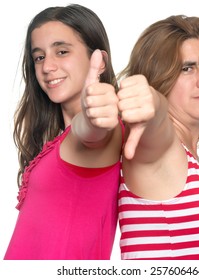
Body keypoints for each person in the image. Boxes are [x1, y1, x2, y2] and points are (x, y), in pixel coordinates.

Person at [117, 15, 199, 260]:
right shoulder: (159, 149)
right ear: (158, 78)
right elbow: (157, 125)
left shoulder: (193, 162)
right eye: (186, 68)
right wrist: (152, 103)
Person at [4, 4, 123, 260]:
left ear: (99, 61)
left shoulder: (99, 132)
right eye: (39, 57)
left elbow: (91, 133)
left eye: (62, 51)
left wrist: (93, 117)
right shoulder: (60, 140)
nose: (47, 67)